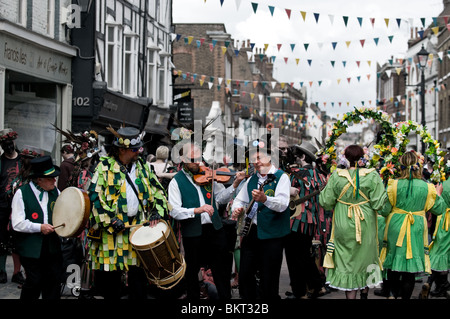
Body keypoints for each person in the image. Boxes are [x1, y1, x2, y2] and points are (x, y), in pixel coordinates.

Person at [87, 126, 171, 299]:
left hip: (137, 231)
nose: (138, 152)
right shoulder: (103, 167)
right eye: (134, 149)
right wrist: (111, 220)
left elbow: (158, 191)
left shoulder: (143, 167)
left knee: (138, 278)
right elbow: (95, 197)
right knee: (111, 282)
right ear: (122, 150)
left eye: (139, 148)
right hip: (113, 232)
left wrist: (156, 210)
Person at [168, 141, 245, 299]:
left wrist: (234, 185)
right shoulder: (176, 181)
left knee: (222, 271)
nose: (198, 162)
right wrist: (197, 210)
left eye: (199, 157)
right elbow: (174, 211)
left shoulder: (208, 174)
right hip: (193, 232)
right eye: (192, 159)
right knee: (192, 272)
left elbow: (221, 198)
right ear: (182, 159)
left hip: (215, 230)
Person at [319, 144, 388, 299]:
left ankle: (351, 297)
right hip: (366, 223)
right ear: (362, 157)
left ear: (346, 157)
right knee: (367, 257)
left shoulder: (337, 176)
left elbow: (326, 202)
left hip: (343, 222)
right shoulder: (372, 175)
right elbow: (378, 204)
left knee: (346, 260)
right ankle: (365, 294)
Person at [379, 150, 446, 299]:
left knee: (394, 265)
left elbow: (384, 210)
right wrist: (438, 194)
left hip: (395, 226)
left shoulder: (393, 185)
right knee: (409, 270)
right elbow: (439, 209)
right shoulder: (427, 187)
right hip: (416, 227)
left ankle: (392, 295)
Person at [231, 138, 291, 299]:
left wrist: (265, 199)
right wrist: (236, 208)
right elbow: (240, 199)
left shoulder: (281, 177)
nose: (255, 162)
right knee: (245, 274)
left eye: (258, 158)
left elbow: (283, 204)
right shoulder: (252, 179)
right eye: (253, 159)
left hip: (273, 235)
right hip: (252, 232)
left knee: (269, 278)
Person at [10, 155, 63, 299]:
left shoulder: (56, 192)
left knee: (53, 282)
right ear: (39, 179)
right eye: (50, 178)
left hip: (52, 246)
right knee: (34, 281)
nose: (54, 180)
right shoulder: (22, 193)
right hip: (31, 248)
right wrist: (40, 227)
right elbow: (17, 223)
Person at [284, 141, 327, 299]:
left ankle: (300, 292)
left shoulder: (294, 173)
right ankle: (316, 286)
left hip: (294, 221)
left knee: (293, 258)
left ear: (303, 157)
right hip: (312, 221)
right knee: (304, 255)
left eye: (298, 155)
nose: (295, 158)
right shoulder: (320, 176)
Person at [0, 129, 25, 286]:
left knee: (18, 240)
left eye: (10, 143)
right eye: (5, 144)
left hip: (20, 206)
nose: (8, 147)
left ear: (14, 142)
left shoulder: (23, 160)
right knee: (1, 240)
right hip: (2, 206)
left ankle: (17, 272)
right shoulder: (0, 162)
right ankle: (1, 271)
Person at [424, 176, 450, 298]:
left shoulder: (443, 183)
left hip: (444, 221)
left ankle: (433, 283)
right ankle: (442, 285)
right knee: (442, 253)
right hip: (445, 220)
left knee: (438, 252)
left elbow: (434, 205)